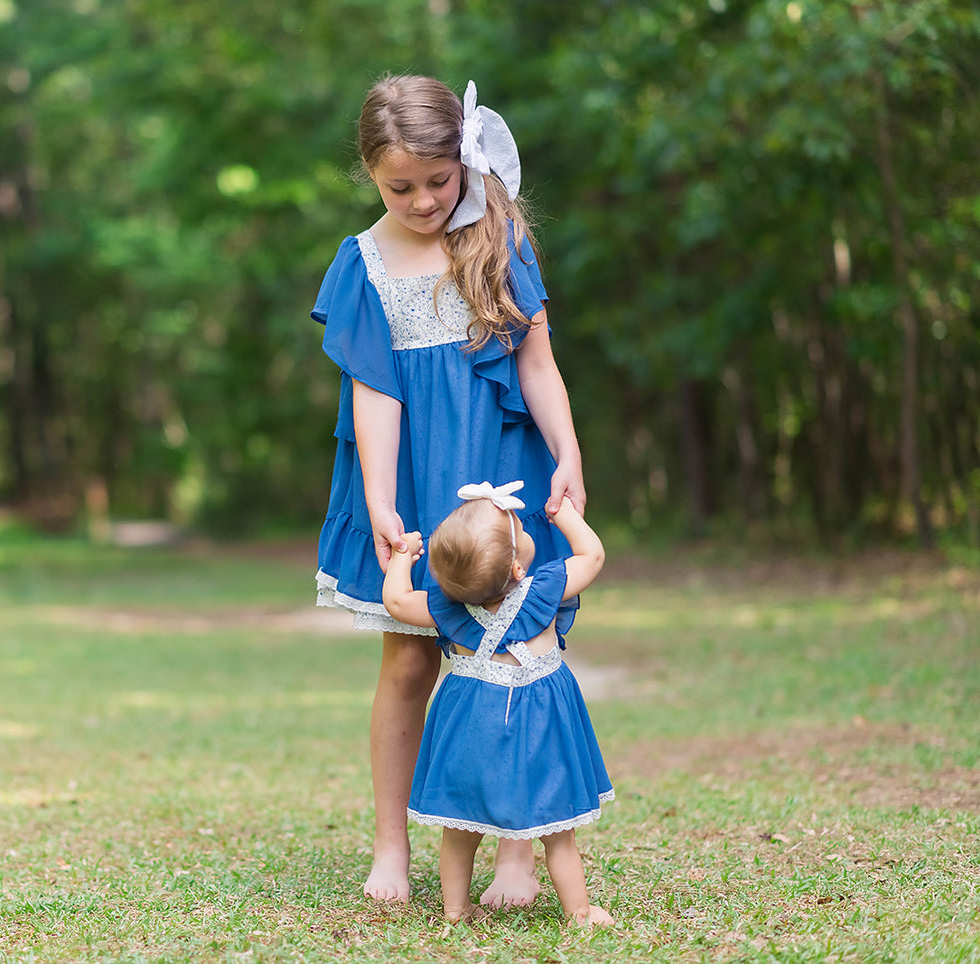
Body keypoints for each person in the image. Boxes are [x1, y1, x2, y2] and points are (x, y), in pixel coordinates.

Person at [312, 74, 585, 904]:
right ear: (368, 174)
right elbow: (375, 394)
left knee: (513, 651)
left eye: (439, 180)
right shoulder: (363, 263)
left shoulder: (500, 239)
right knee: (408, 660)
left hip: (505, 468)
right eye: (401, 186)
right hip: (416, 480)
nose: (425, 200)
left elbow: (535, 364)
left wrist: (567, 452)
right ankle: (391, 846)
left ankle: (514, 851)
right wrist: (382, 498)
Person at [382, 482, 614, 926]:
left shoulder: (446, 608)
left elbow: (394, 601)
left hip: (471, 725)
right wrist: (564, 515)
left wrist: (401, 558)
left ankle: (454, 909)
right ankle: (580, 911)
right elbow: (593, 557)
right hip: (541, 725)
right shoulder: (544, 590)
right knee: (558, 832)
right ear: (517, 567)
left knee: (460, 828)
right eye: (517, 527)